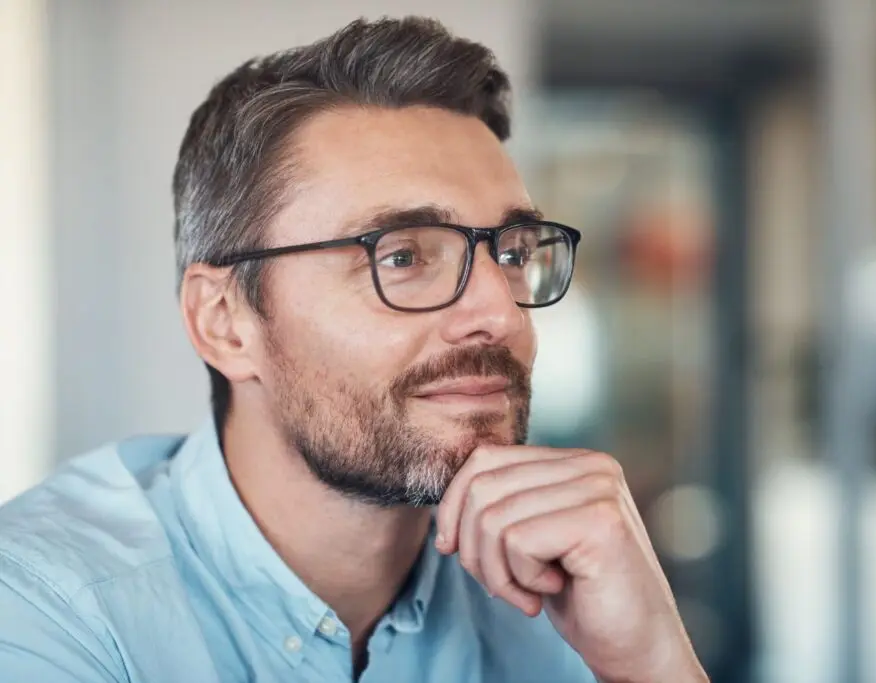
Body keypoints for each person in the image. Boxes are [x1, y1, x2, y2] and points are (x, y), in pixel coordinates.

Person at [0, 16, 708, 683]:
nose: (500, 311)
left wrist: (654, 659)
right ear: (224, 319)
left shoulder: (571, 592)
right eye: (401, 257)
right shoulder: (44, 604)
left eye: (514, 252)